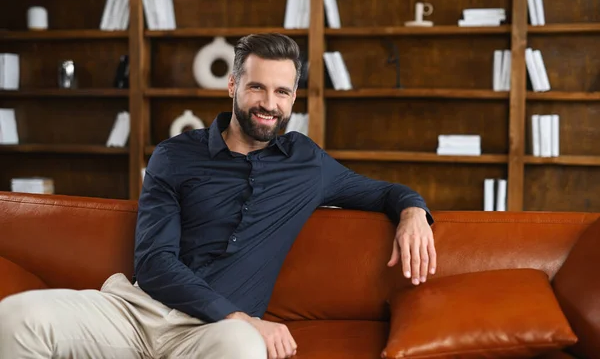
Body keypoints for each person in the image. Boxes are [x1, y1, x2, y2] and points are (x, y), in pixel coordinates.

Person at [0, 33, 436, 359]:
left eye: (282, 92)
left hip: (213, 336)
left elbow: (384, 192)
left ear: (294, 98)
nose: (269, 103)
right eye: (256, 88)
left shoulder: (308, 164)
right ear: (232, 86)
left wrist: (413, 211)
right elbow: (154, 262)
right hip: (138, 313)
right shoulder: (175, 156)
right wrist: (238, 315)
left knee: (243, 348)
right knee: (16, 318)